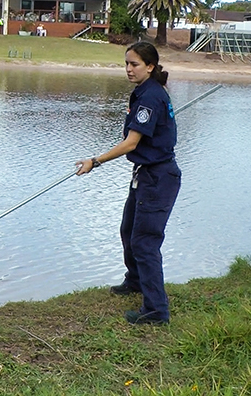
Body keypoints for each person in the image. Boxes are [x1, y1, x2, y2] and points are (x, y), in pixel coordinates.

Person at [75, 41, 181, 325]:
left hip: (158, 178)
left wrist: (95, 161)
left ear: (150, 66)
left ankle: (156, 311)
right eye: (126, 64)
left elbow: (131, 142)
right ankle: (135, 280)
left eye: (134, 64)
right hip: (145, 174)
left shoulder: (150, 96)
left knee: (145, 243)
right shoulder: (146, 92)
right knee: (128, 230)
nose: (129, 69)